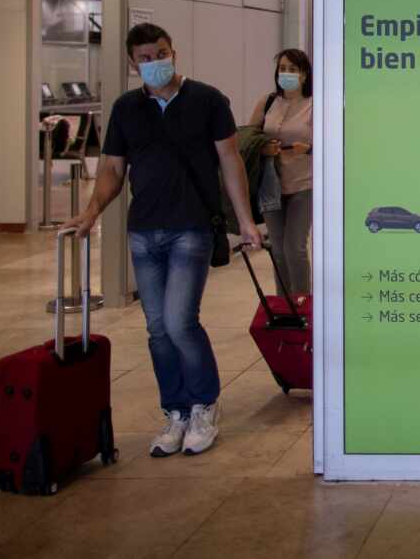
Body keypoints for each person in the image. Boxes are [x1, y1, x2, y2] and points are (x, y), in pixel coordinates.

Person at [68, 23, 260, 458]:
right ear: (133, 64)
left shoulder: (208, 100)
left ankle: (203, 404)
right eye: (146, 58)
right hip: (143, 230)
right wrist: (91, 211)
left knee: (179, 321)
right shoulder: (125, 109)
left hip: (190, 227)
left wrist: (246, 221)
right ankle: (175, 410)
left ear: (174, 52)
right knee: (156, 329)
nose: (156, 63)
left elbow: (230, 161)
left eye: (162, 53)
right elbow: (113, 170)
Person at [253, 48, 313, 297]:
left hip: (304, 184)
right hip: (270, 184)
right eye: (282, 69)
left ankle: (302, 303)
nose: (286, 74)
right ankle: (283, 304)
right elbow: (249, 137)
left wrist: (308, 149)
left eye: (292, 69)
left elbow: (334, 144)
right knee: (277, 248)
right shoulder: (267, 102)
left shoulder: (315, 104)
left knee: (294, 247)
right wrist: (263, 147)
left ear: (304, 74)